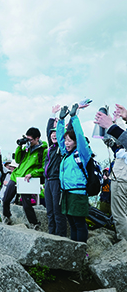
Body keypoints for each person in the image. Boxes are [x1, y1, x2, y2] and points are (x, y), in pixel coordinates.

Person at [57, 104, 91, 243]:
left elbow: (80, 136)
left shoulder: (82, 153)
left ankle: (81, 252)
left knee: (79, 224)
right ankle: (74, 252)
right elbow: (59, 139)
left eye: (69, 140)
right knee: (72, 224)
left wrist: (74, 117)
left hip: (78, 194)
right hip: (66, 193)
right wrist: (60, 121)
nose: (66, 143)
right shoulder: (66, 155)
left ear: (76, 143)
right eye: (66, 140)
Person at [2, 127, 47, 229]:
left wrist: (33, 173)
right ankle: (7, 217)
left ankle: (34, 223)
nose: (29, 141)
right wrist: (20, 146)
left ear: (37, 138)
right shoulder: (26, 148)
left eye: (30, 139)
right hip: (16, 176)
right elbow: (17, 160)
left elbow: (44, 168)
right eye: (27, 139)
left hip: (27, 179)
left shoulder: (43, 151)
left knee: (26, 204)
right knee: (6, 199)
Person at [94, 103, 127, 241]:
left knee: (120, 215)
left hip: (122, 178)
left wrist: (111, 126)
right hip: (121, 174)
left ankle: (124, 247)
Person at [43, 104, 67, 237]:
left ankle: (60, 237)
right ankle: (51, 235)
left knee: (58, 212)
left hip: (57, 181)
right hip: (47, 181)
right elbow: (48, 130)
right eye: (51, 133)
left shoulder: (61, 148)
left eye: (55, 133)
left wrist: (60, 124)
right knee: (49, 211)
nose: (53, 135)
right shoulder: (51, 147)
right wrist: (52, 115)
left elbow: (63, 134)